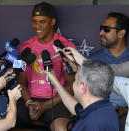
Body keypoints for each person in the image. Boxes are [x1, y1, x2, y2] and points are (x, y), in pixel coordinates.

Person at [16, 2, 76, 130]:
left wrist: (45, 106)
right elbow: (21, 82)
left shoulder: (65, 46)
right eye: (34, 21)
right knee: (3, 120)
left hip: (56, 101)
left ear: (53, 21)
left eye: (42, 21)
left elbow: (71, 86)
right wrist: (29, 103)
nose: (37, 26)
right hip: (30, 100)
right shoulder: (26, 47)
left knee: (60, 128)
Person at [45, 59, 119, 131]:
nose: (73, 84)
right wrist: (55, 81)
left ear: (83, 87)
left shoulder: (91, 125)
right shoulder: (104, 107)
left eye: (75, 81)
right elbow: (75, 108)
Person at [88, 12, 129, 107]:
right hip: (101, 115)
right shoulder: (93, 59)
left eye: (106, 29)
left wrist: (125, 111)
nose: (101, 32)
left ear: (121, 33)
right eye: (101, 28)